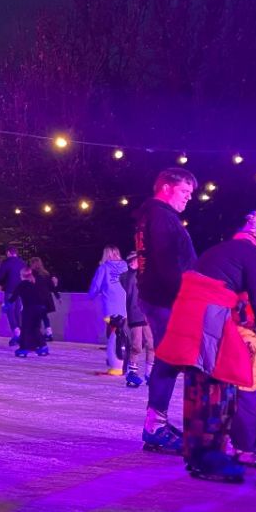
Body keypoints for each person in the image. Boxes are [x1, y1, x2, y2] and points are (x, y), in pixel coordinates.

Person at [155, 210, 256, 483]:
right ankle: (210, 457)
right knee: (220, 381)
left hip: (189, 312)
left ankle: (198, 454)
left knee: (199, 381)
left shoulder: (222, 251)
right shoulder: (251, 252)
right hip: (208, 314)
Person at [133, 167, 198, 454]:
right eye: (185, 192)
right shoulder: (160, 217)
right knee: (170, 360)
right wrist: (186, 297)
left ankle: (156, 423)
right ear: (167, 188)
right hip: (166, 299)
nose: (188, 198)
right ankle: (155, 426)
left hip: (159, 297)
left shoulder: (153, 215)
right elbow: (167, 263)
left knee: (169, 360)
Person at [88, 246, 129, 376]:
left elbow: (96, 285)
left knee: (113, 333)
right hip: (125, 303)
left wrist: (91, 295)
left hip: (110, 304)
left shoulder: (104, 268)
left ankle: (116, 362)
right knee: (122, 332)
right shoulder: (126, 267)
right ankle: (122, 361)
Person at [120, 251, 153, 387]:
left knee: (152, 344)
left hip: (148, 313)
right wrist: (132, 270)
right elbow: (127, 287)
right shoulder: (127, 277)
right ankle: (132, 373)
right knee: (137, 346)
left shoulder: (147, 275)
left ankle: (150, 373)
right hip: (135, 313)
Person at [11, 268, 49, 357]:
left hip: (29, 310)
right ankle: (42, 346)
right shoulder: (36, 283)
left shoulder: (22, 284)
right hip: (39, 309)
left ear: (22, 275)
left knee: (25, 328)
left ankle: (24, 348)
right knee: (35, 328)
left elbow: (14, 296)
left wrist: (7, 304)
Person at [0, 246, 27, 344]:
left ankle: (16, 331)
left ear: (8, 253)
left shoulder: (6, 262)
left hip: (10, 290)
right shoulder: (22, 263)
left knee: (10, 311)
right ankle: (20, 333)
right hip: (21, 291)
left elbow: (0, 276)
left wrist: (0, 284)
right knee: (17, 312)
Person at [30, 257, 59, 342]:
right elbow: (51, 286)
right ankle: (49, 333)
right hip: (46, 299)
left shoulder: (32, 274)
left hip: (37, 299)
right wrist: (58, 296)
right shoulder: (45, 274)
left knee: (36, 316)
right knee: (44, 316)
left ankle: (37, 333)